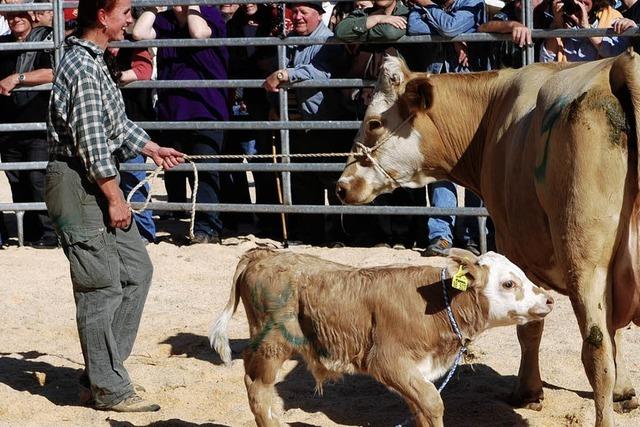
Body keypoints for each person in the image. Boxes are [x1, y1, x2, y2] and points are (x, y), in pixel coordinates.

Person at [45, 0, 183, 412]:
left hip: (92, 180)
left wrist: (151, 147)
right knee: (99, 287)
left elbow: (116, 126)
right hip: (79, 183)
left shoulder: (95, 61)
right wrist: (115, 197)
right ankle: (109, 388)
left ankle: (101, 372)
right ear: (102, 17)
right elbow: (90, 141)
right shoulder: (84, 67)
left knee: (136, 272)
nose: (129, 18)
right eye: (124, 12)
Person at [133, 3, 229, 244]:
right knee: (175, 169)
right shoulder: (164, 20)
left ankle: (207, 227)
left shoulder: (208, 14)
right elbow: (138, 34)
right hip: (172, 109)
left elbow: (198, 34)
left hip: (206, 107)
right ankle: (181, 216)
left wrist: (192, 5)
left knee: (205, 172)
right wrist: (154, 8)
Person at [263, 1, 351, 246]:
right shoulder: (288, 42)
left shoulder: (330, 41)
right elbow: (275, 75)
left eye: (304, 12)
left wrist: (286, 74)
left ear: (319, 14)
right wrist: (274, 105)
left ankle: (338, 236)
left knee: (333, 182)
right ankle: (310, 235)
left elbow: (321, 73)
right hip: (297, 123)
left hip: (326, 123)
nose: (298, 17)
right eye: (296, 12)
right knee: (303, 181)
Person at [407, 0, 490, 256]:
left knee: (478, 168)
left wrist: (429, 8)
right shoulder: (418, 10)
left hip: (473, 101)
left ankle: (474, 234)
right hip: (438, 104)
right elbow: (413, 27)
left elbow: (451, 26)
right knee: (441, 167)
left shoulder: (474, 3)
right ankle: (441, 236)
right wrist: (452, 36)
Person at [0, 0, 57, 247]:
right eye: (11, 17)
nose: (16, 20)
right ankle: (32, 231)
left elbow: (54, 72)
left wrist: (18, 78)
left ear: (31, 15)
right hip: (9, 126)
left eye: (20, 15)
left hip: (38, 123)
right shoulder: (3, 45)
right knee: (17, 179)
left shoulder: (46, 40)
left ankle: (50, 232)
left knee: (38, 178)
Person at [105, 28, 157, 244]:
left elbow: (143, 70)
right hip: (106, 122)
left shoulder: (135, 42)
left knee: (134, 178)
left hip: (134, 121)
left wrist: (112, 77)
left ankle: (144, 232)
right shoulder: (96, 45)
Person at [540, 0, 627, 62]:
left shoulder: (611, 16)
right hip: (567, 82)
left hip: (599, 81)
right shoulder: (560, 22)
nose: (580, 2)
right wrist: (557, 24)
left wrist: (586, 28)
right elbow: (546, 61)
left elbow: (617, 54)